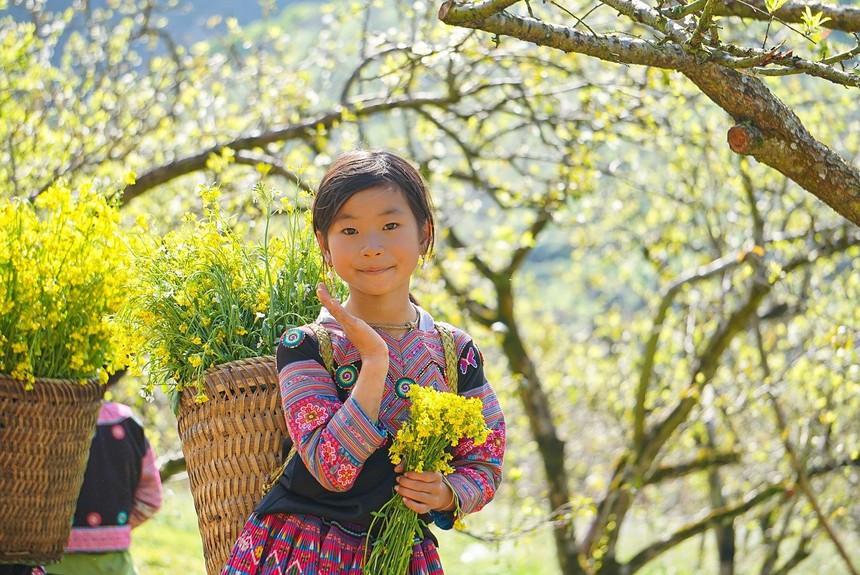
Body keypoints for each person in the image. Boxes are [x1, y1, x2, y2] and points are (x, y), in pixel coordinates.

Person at [222, 149, 506, 574]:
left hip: (402, 554)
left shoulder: (455, 353)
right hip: (302, 552)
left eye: (391, 226)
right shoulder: (306, 347)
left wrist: (447, 493)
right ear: (324, 244)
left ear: (424, 234)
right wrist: (375, 361)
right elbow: (331, 467)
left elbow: (485, 456)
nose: (371, 247)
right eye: (350, 230)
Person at [47, 384, 163, 575]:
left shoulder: (47, 419)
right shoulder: (128, 422)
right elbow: (152, 498)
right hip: (116, 566)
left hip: (55, 562)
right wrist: (115, 529)